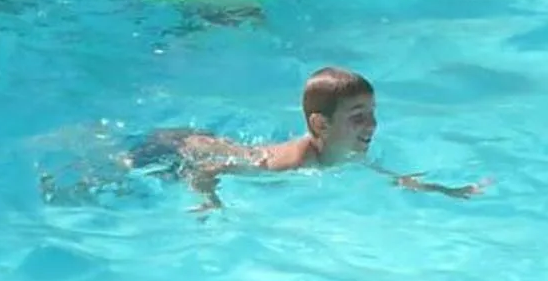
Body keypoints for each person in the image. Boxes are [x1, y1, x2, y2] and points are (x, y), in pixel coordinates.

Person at [133, 66, 487, 201]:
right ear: (321, 125)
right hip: (176, 149)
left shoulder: (343, 152)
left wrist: (444, 190)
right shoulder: (293, 163)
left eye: (373, 114)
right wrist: (209, 202)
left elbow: (392, 179)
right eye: (358, 116)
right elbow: (207, 169)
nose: (372, 125)